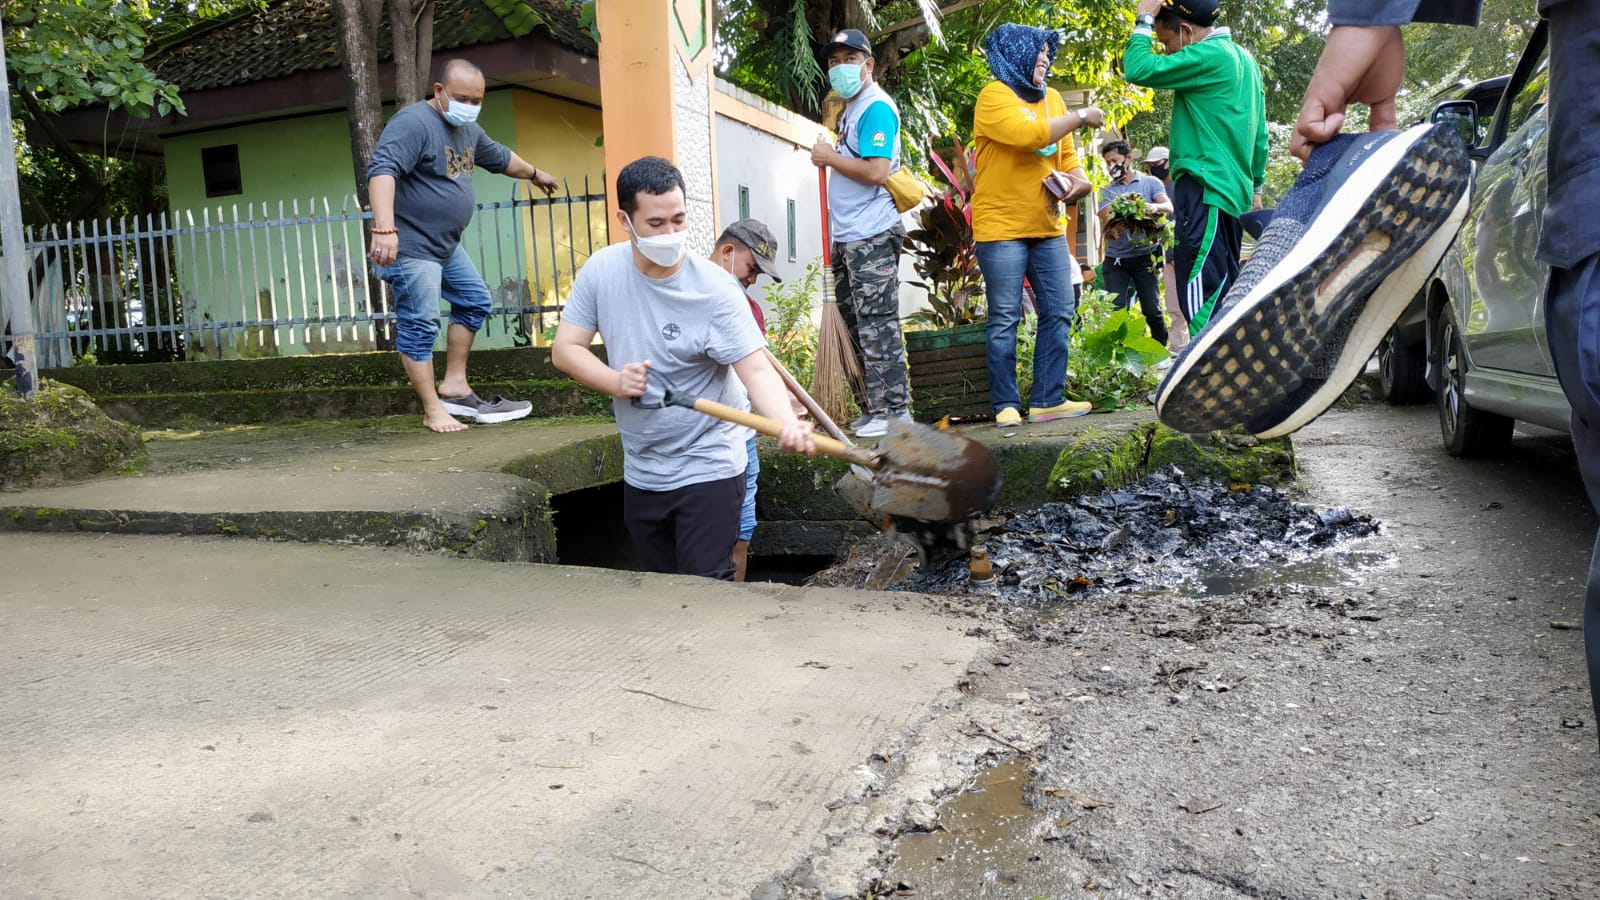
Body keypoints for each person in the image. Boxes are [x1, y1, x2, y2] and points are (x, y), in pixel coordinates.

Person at [551, 157, 813, 581]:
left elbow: (757, 371)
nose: (671, 234)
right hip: (643, 469)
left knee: (704, 591)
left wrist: (784, 421)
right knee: (662, 593)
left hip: (709, 466)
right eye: (656, 223)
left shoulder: (716, 290)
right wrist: (615, 381)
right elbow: (566, 350)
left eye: (679, 220)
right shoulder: (602, 272)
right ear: (625, 219)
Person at [367, 58, 559, 433]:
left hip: (445, 246)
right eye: (461, 98)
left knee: (474, 300)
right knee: (421, 324)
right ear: (439, 92)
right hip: (410, 245)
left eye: (476, 100)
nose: (469, 106)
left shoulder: (466, 129)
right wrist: (385, 229)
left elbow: (501, 158)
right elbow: (382, 171)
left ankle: (454, 386)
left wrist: (535, 174)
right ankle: (433, 410)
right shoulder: (413, 123)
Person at [971, 22, 1104, 428]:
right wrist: (1082, 116)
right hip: (1002, 229)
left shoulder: (1055, 100)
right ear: (1015, 54)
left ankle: (1048, 399)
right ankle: (1005, 404)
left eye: (1049, 51)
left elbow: (1068, 159)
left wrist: (1077, 185)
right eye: (1038, 50)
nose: (1045, 58)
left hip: (1046, 226)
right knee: (1005, 317)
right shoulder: (994, 96)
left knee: (1060, 310)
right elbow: (1028, 134)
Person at [1122, 0, 1268, 336]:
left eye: (1166, 43)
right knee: (1223, 286)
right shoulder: (1246, 61)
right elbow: (1259, 135)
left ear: (1186, 32)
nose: (1168, 52)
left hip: (1206, 188)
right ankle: (1231, 373)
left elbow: (1138, 68)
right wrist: (1256, 187)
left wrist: (1144, 18)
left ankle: (1210, 377)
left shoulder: (1208, 56)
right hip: (1231, 193)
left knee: (1201, 292)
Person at [809, 29, 912, 440]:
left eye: (849, 59)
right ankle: (874, 408)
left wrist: (830, 158)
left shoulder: (875, 108)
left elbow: (876, 172)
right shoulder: (851, 110)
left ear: (869, 65)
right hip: (850, 235)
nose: (840, 68)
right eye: (834, 61)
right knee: (855, 321)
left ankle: (895, 412)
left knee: (878, 322)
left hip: (872, 233)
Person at [709, 218, 786, 581]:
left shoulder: (750, 310)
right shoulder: (691, 295)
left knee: (742, 532)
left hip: (744, 436)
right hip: (706, 441)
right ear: (728, 252)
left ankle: (737, 610)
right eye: (751, 268)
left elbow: (760, 373)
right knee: (710, 539)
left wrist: (788, 410)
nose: (752, 279)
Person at [1097, 140, 1174, 346]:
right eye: (1107, 163)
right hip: (1116, 260)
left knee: (1152, 309)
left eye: (1115, 160)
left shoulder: (1150, 183)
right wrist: (1125, 207)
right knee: (1116, 310)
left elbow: (1167, 207)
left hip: (1145, 257)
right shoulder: (1106, 191)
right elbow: (1107, 216)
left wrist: (1148, 207)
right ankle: (1119, 353)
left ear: (1128, 158)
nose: (1111, 166)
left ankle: (1159, 349)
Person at [1143, 145, 1189, 353]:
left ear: (1168, 162)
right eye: (1150, 166)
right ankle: (1179, 346)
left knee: (1192, 300)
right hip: (1168, 255)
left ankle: (1199, 343)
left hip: (1188, 253)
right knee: (1173, 302)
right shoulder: (1155, 190)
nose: (1154, 169)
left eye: (1157, 164)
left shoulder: (1181, 186)